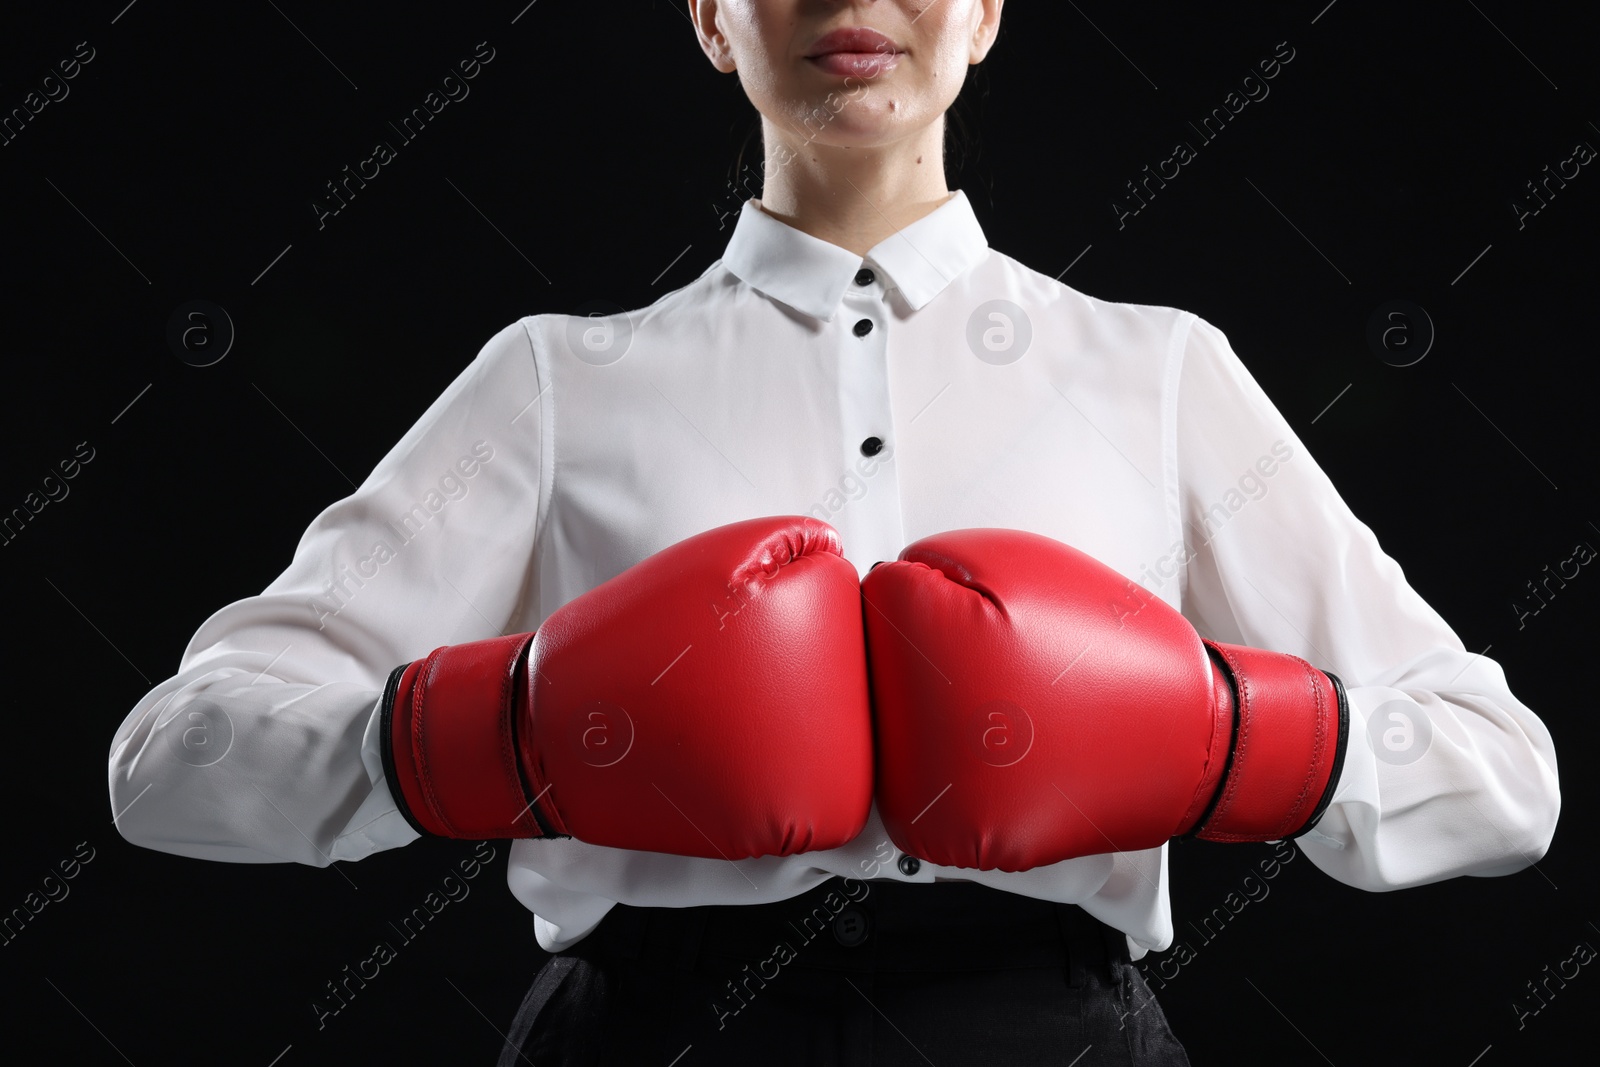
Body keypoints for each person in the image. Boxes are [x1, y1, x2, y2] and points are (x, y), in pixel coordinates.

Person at [106, 2, 1561, 1064]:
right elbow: (172, 757)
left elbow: (1506, 777)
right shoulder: (555, 381)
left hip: (1053, 1032)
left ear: (987, 14)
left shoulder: (1155, 370)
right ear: (710, 22)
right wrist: (491, 740)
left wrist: (1237, 740)